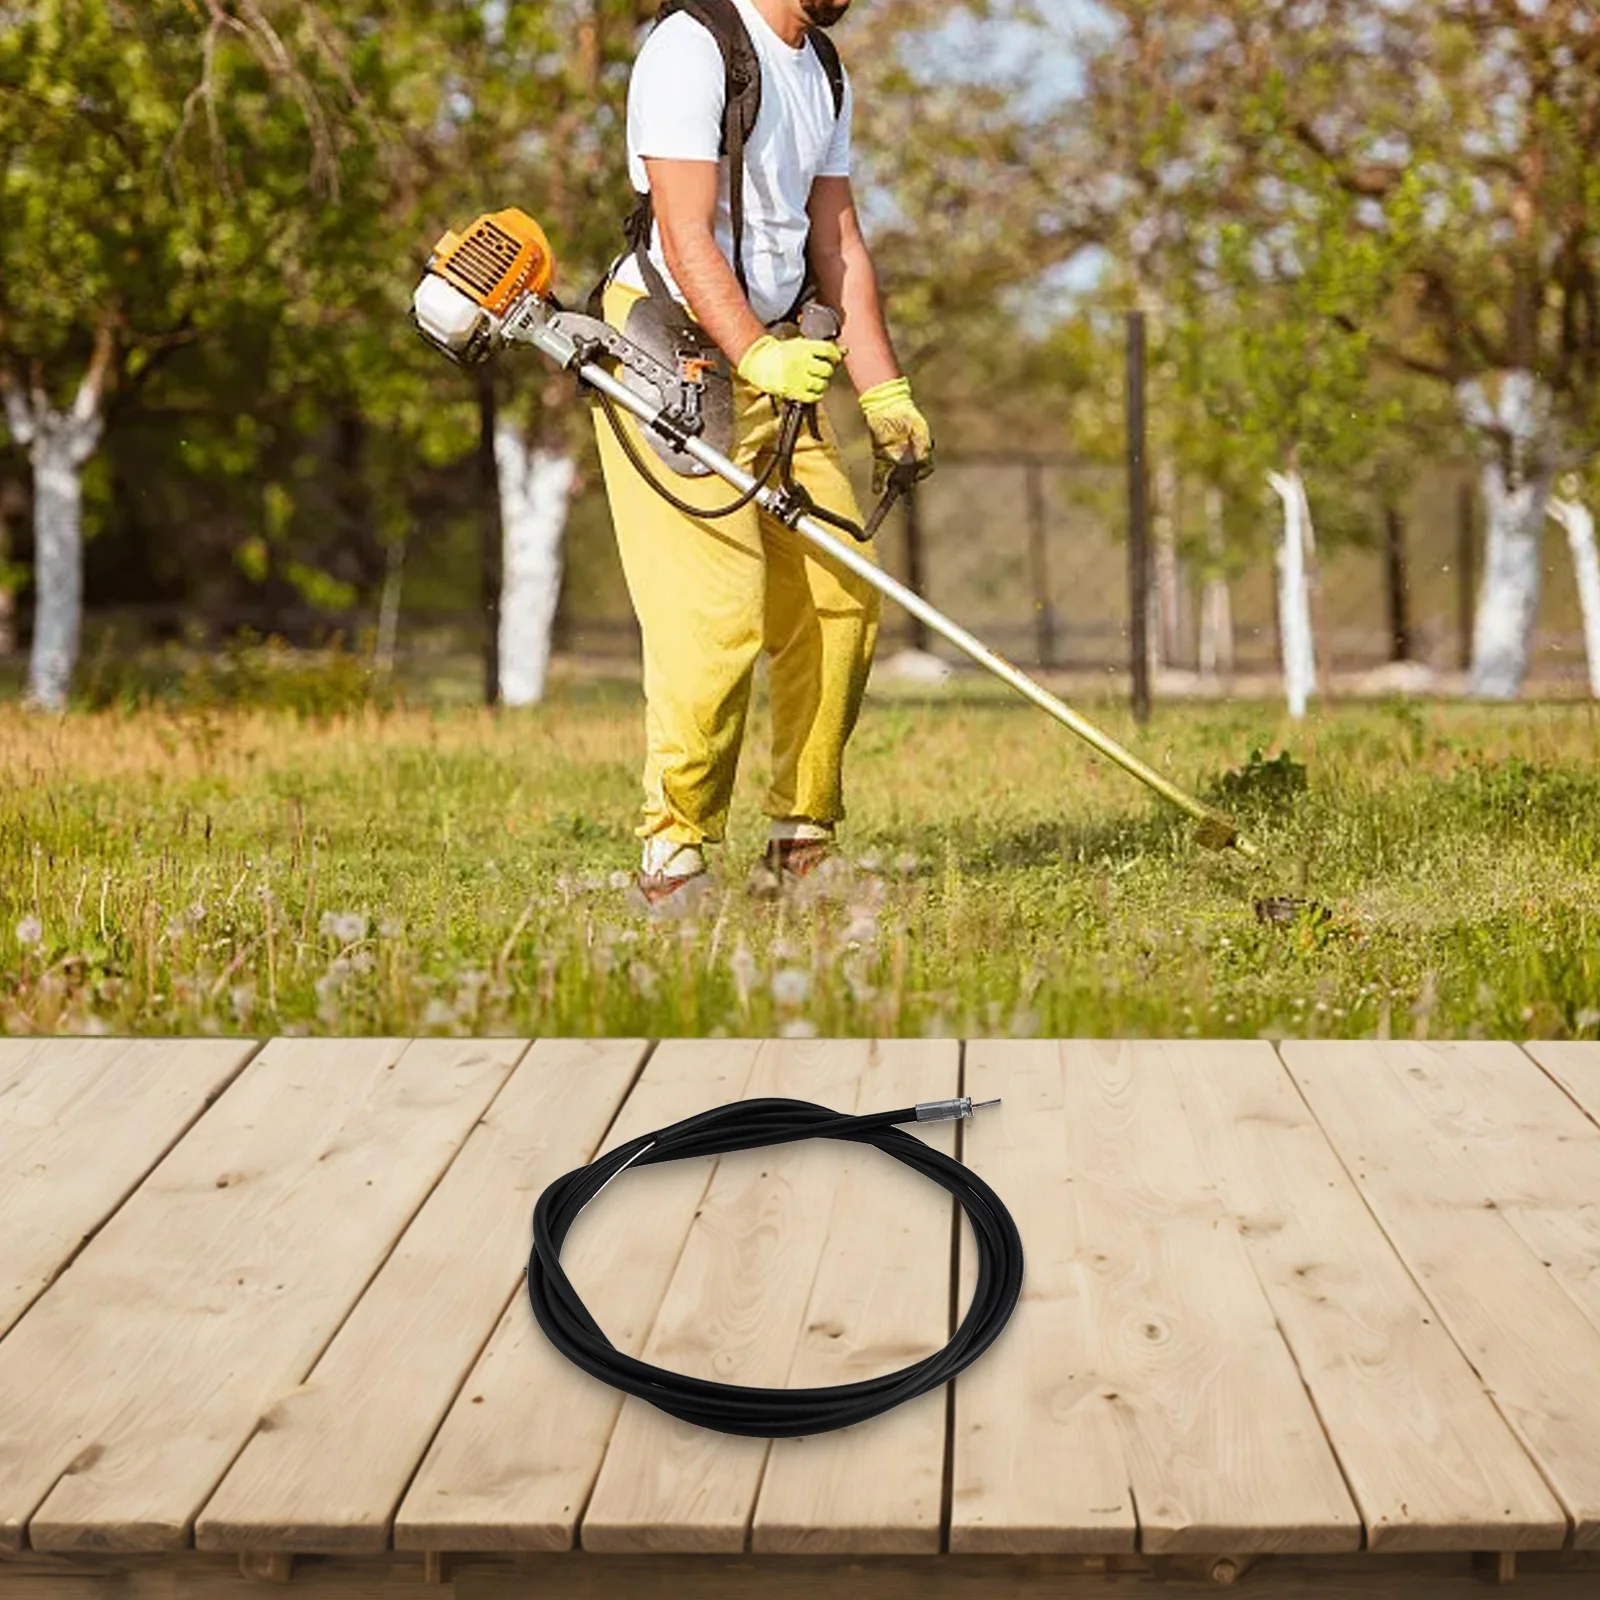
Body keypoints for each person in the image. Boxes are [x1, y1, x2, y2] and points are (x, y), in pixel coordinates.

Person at [592, 0, 934, 909]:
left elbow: (838, 243)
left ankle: (799, 847)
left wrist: (884, 391)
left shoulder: (822, 66)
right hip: (672, 351)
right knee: (714, 618)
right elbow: (683, 233)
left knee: (839, 595)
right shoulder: (693, 47)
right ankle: (672, 861)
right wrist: (755, 354)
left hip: (769, 357)